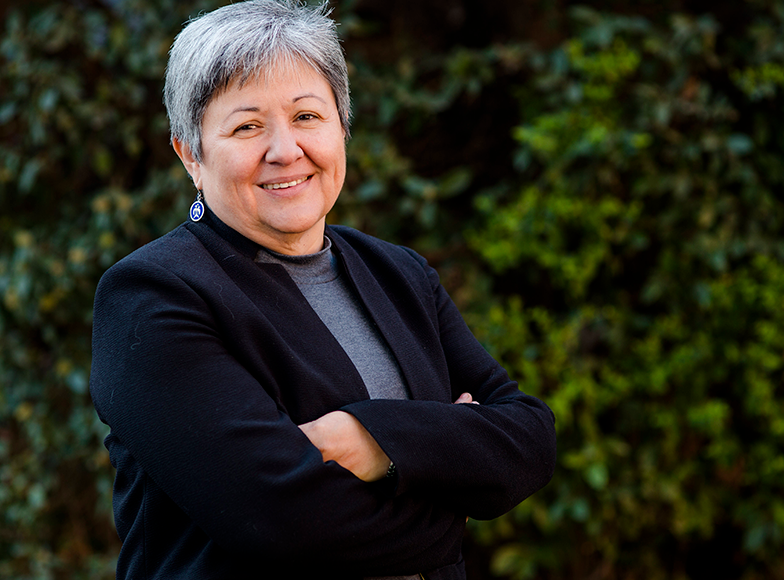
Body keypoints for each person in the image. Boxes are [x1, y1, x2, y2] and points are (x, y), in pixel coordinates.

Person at [88, 1, 556, 578]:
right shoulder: (151, 297)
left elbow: (529, 440)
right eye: (246, 126)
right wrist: (451, 486)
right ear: (191, 154)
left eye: (307, 116)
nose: (285, 151)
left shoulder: (400, 273)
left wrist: (371, 440)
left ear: (341, 128)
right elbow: (282, 521)